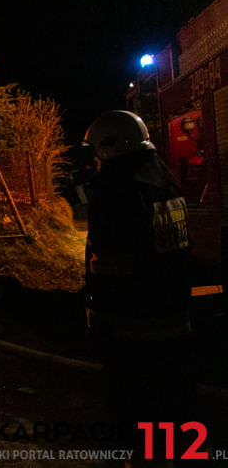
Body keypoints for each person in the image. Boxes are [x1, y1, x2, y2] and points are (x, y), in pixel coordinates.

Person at [82, 110, 194, 453]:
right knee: (169, 410)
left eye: (96, 151)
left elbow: (109, 265)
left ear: (109, 147)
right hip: (175, 317)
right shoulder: (165, 181)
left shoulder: (117, 192)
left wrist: (95, 312)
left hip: (132, 327)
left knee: (134, 414)